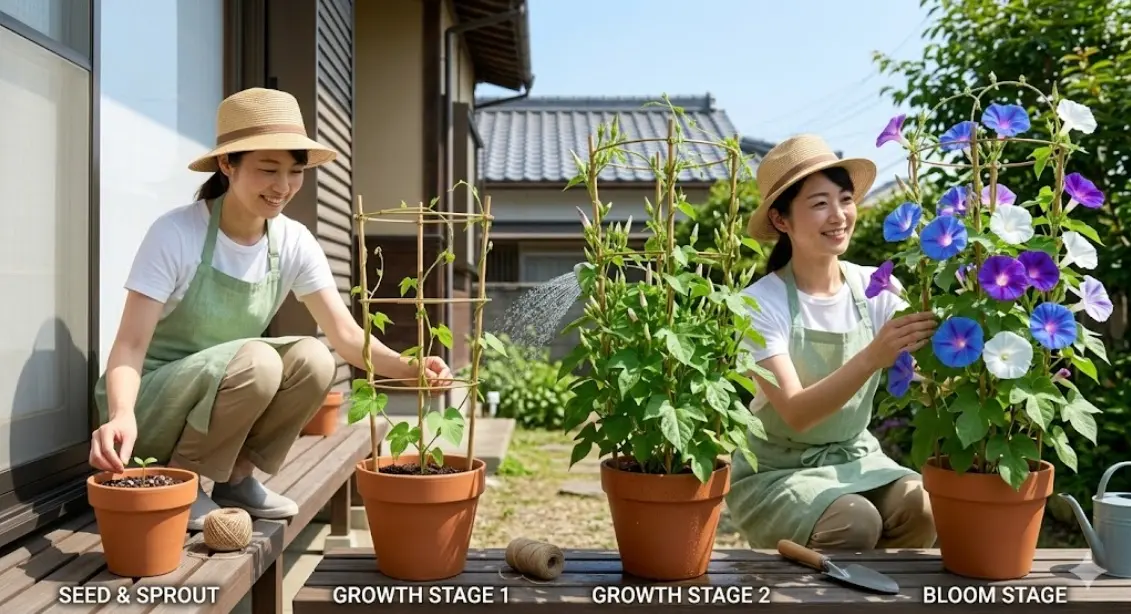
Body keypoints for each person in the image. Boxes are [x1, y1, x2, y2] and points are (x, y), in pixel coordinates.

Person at [88, 88, 453, 531]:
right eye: (267, 170)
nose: (283, 187)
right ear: (228, 164)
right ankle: (183, 481)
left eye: (295, 172)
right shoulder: (176, 234)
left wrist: (408, 368)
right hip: (151, 408)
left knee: (315, 359)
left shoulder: (292, 241)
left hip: (224, 394)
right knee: (260, 361)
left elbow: (344, 335)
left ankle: (237, 479)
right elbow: (129, 346)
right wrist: (121, 414)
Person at [726, 135, 938, 551]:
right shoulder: (759, 303)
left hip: (856, 456)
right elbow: (796, 413)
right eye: (820, 203)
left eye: (845, 199)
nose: (839, 215)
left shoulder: (876, 285)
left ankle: (882, 589)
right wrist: (872, 357)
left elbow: (924, 367)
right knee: (855, 523)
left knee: (923, 507)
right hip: (778, 472)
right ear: (781, 220)